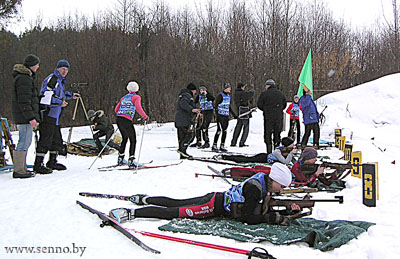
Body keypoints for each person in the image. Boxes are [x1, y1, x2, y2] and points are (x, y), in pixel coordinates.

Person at [109, 163, 300, 225]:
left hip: (216, 197)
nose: (281, 190)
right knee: (174, 211)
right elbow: (249, 217)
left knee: (176, 203)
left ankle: (144, 199)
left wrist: (287, 210)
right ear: (275, 180)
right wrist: (273, 218)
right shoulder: (255, 189)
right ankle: (132, 212)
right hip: (211, 206)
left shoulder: (262, 181)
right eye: (281, 186)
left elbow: (262, 206)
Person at [35, 59, 80, 174]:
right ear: (57, 69)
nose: (65, 71)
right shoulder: (52, 79)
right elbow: (45, 97)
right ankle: (38, 163)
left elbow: (60, 94)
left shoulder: (60, 81)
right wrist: (59, 102)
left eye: (66, 69)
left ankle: (52, 161)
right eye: (63, 69)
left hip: (56, 116)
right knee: (45, 138)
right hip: (48, 114)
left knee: (56, 139)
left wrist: (71, 95)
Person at [11, 54, 41, 179]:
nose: (38, 67)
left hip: (23, 115)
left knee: (25, 141)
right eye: (37, 64)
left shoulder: (24, 78)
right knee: (24, 141)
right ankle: (18, 170)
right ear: (32, 65)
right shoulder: (24, 79)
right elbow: (24, 101)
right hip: (24, 117)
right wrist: (31, 117)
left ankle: (21, 168)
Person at [114, 81, 148, 167]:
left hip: (119, 119)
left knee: (125, 138)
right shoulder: (136, 97)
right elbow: (138, 107)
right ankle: (131, 160)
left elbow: (116, 109)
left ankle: (121, 158)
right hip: (126, 120)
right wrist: (145, 116)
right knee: (133, 139)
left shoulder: (124, 97)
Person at [257, 79, 287, 154]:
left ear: (268, 85)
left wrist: (266, 109)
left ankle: (269, 151)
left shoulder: (264, 94)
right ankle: (277, 150)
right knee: (277, 133)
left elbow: (259, 105)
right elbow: (284, 105)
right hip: (278, 117)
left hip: (268, 117)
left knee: (268, 133)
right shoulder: (280, 94)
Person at [219, 137, 297, 165]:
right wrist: (291, 153)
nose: (293, 146)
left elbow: (293, 161)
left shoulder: (286, 150)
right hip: (262, 158)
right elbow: (285, 162)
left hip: (265, 157)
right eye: (291, 145)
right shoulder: (278, 151)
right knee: (246, 159)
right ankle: (226, 157)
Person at [175, 83, 201, 159]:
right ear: (193, 90)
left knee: (182, 137)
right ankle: (182, 149)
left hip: (181, 119)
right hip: (184, 120)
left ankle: (182, 153)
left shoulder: (183, 95)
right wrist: (192, 109)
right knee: (190, 135)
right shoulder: (187, 96)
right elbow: (183, 104)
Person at [212, 83, 237, 152]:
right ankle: (214, 145)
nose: (230, 89)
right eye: (229, 88)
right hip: (220, 115)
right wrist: (216, 115)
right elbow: (216, 105)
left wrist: (234, 115)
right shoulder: (220, 95)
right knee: (219, 130)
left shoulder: (228, 96)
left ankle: (222, 145)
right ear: (225, 88)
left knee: (225, 131)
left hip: (226, 116)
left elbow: (229, 107)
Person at [231, 83, 255, 147]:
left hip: (238, 111)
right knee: (246, 127)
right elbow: (249, 95)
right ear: (241, 87)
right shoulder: (242, 93)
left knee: (238, 126)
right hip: (244, 111)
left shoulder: (236, 93)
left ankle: (233, 142)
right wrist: (252, 90)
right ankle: (242, 142)